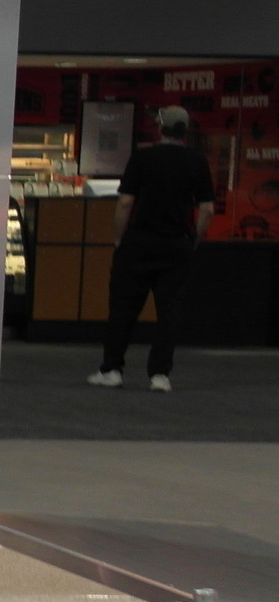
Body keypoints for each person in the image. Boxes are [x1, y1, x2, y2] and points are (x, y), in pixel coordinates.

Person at [90, 105, 216, 392]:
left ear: (160, 127)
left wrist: (119, 237)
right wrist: (193, 238)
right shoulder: (197, 162)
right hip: (176, 244)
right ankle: (160, 375)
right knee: (169, 311)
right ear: (185, 130)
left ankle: (112, 369)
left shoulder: (143, 157)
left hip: (140, 242)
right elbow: (207, 209)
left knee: (123, 308)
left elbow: (125, 203)